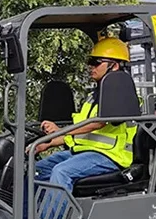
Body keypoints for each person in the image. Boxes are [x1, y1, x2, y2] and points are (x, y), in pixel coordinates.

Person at [34, 38, 136, 194]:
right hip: (84, 152)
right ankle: (26, 218)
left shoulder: (120, 94)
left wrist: (61, 130)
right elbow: (84, 135)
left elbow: (98, 124)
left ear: (114, 66)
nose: (91, 66)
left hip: (111, 157)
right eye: (90, 61)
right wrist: (48, 143)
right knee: (36, 171)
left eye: (96, 62)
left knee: (61, 172)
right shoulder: (93, 95)